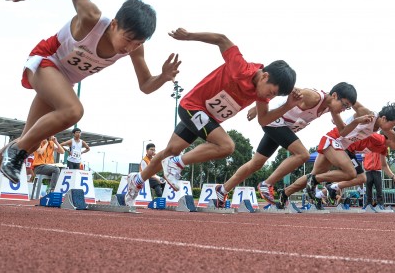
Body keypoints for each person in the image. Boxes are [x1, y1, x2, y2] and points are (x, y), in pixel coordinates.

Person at [0, 0, 180, 208]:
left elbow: (145, 85)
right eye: (128, 39)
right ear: (113, 24)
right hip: (45, 61)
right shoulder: (92, 19)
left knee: (29, 142)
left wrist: (163, 77)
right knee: (73, 110)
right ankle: (15, 151)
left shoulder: (135, 49)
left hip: (62, 81)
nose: (129, 47)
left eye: (137, 43)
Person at [125, 28, 297, 207]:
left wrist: (288, 105)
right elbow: (222, 39)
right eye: (272, 92)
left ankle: (136, 181)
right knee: (226, 146)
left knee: (169, 151)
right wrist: (189, 36)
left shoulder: (262, 95)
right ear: (265, 76)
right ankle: (177, 164)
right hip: (192, 107)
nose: (270, 97)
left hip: (205, 118)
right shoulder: (242, 67)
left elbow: (263, 120)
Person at [217, 82, 358, 205]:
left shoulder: (330, 108)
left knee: (256, 163)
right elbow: (282, 86)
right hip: (274, 121)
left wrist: (358, 121)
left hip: (281, 127)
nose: (343, 109)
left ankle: (222, 190)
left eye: (347, 108)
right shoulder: (314, 97)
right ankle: (266, 184)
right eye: (344, 105)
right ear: (334, 95)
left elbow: (343, 131)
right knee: (302, 154)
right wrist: (258, 106)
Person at [277, 101, 395, 207]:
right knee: (351, 174)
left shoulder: (381, 127)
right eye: (393, 125)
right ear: (384, 118)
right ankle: (316, 181)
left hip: (337, 144)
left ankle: (285, 193)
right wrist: (335, 103)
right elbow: (353, 102)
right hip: (334, 140)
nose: (393, 129)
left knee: (314, 174)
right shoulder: (369, 114)